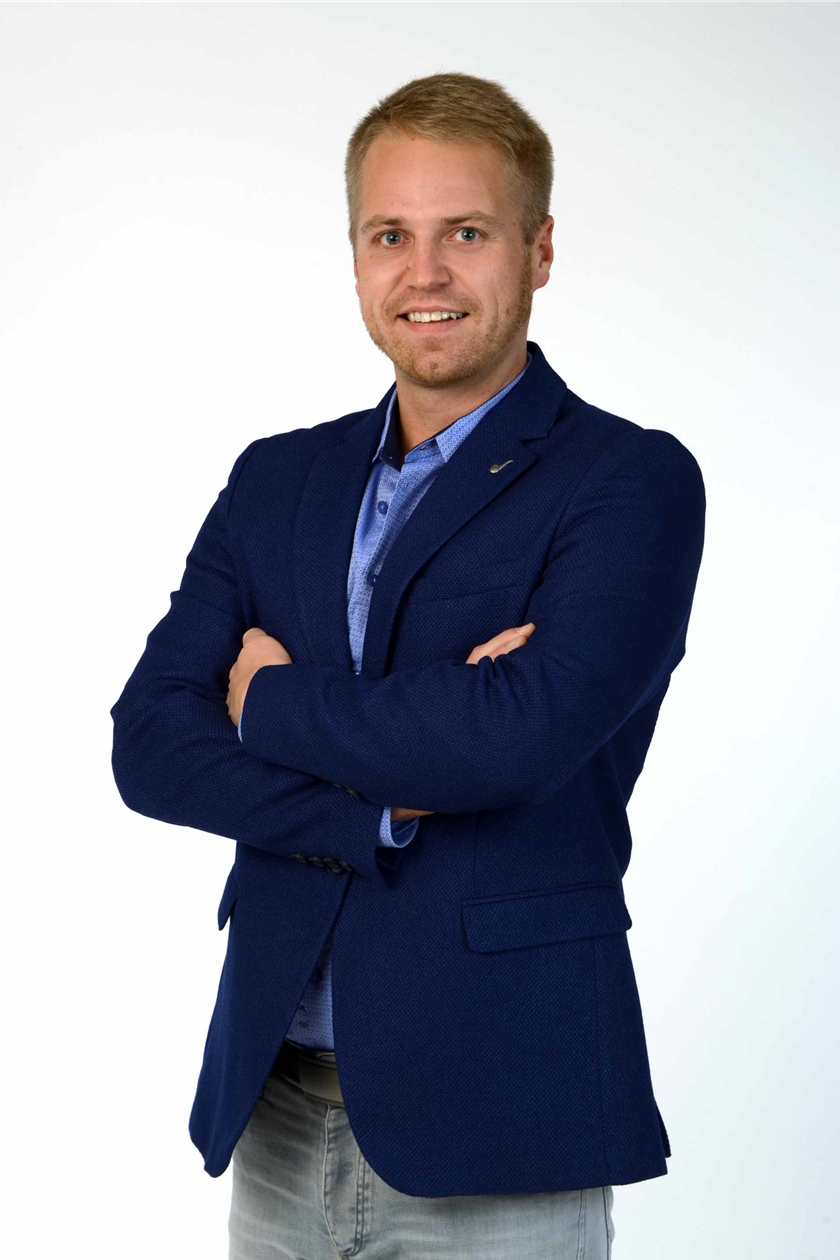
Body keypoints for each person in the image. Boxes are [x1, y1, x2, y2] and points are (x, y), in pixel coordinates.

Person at [111, 70, 706, 1260]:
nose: (424, 273)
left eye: (466, 234)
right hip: (276, 1108)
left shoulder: (628, 481)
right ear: (355, 259)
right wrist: (389, 792)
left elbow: (515, 738)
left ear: (539, 251)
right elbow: (152, 746)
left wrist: (268, 701)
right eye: (391, 235)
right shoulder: (277, 478)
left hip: (503, 1114)